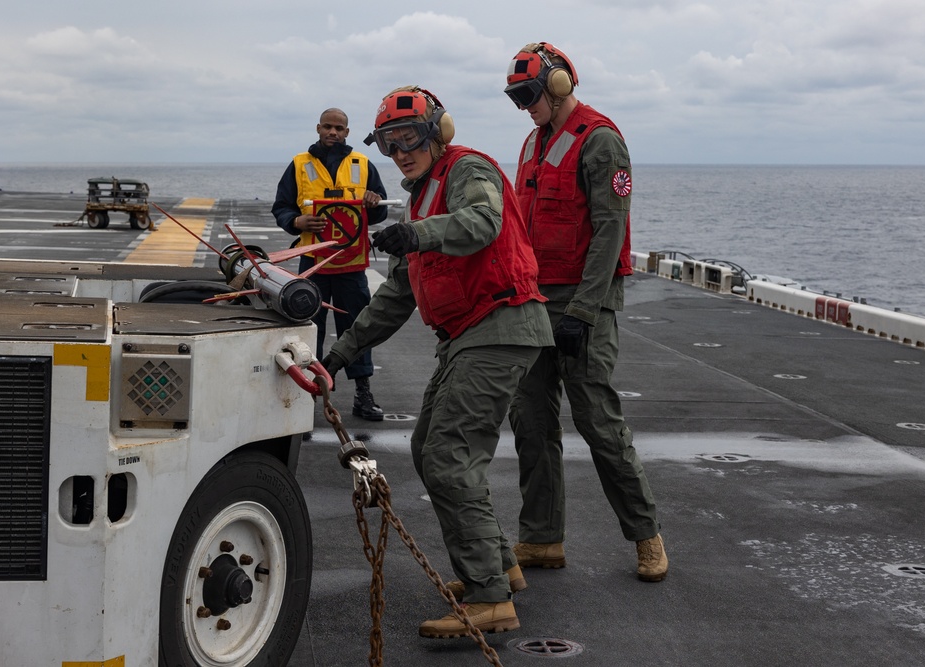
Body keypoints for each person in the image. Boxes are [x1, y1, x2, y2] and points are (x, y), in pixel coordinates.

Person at [321, 86, 554, 637]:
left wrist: (416, 233)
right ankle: (498, 566)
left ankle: (488, 598)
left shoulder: (468, 170)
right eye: (389, 143)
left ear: (438, 133)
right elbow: (397, 295)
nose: (401, 152)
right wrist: (336, 357)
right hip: (467, 335)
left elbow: (482, 223)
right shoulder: (421, 196)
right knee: (430, 449)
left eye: (410, 138)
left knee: (449, 456)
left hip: (500, 327)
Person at [503, 43, 669, 582]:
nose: (525, 107)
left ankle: (647, 536)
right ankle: (542, 538)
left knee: (597, 419)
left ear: (557, 86)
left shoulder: (600, 141)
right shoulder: (534, 141)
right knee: (530, 418)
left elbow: (608, 231)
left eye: (529, 96)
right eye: (518, 98)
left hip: (582, 302)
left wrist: (583, 310)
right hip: (534, 301)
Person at [272, 107, 388, 421]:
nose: (333, 132)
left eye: (339, 128)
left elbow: (380, 212)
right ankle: (308, 396)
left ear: (347, 132)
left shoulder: (362, 165)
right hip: (314, 265)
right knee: (311, 332)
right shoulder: (299, 165)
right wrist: (296, 221)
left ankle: (363, 395)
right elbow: (281, 207)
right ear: (318, 128)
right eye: (328, 127)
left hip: (352, 266)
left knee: (357, 330)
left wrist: (374, 202)